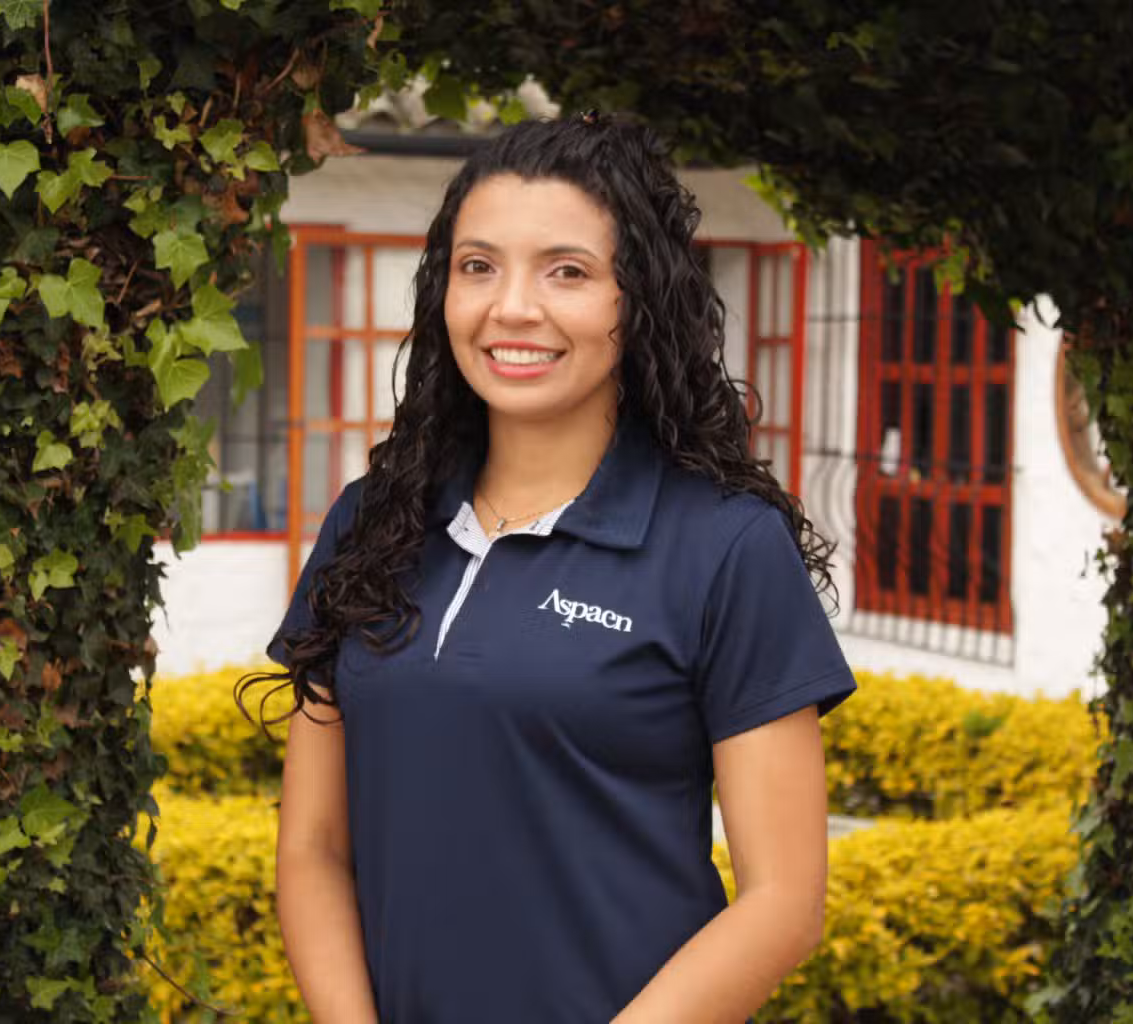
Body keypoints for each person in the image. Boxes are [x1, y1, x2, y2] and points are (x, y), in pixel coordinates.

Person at [238, 112, 856, 1024]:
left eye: (567, 271)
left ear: (637, 301)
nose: (513, 308)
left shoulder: (725, 545)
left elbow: (784, 902)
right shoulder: (372, 523)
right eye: (478, 266)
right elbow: (314, 850)